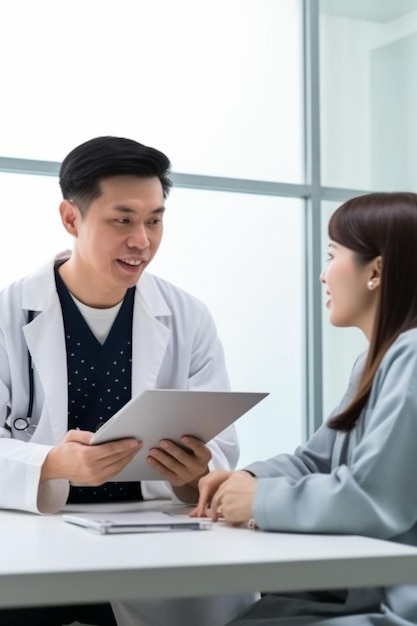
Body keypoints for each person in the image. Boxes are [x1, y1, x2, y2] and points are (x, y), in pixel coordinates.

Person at [0, 136, 256, 625]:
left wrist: (193, 473)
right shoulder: (7, 315)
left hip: (149, 537)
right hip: (34, 536)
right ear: (71, 218)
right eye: (123, 220)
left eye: (155, 220)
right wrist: (51, 463)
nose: (143, 240)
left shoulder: (187, 317)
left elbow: (222, 447)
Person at [193, 191, 417, 626]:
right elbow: (315, 460)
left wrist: (260, 501)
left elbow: (378, 499)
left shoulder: (412, 356)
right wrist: (248, 480)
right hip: (359, 586)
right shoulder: (376, 360)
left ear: (375, 271)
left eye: (333, 255)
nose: (323, 274)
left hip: (397, 601)